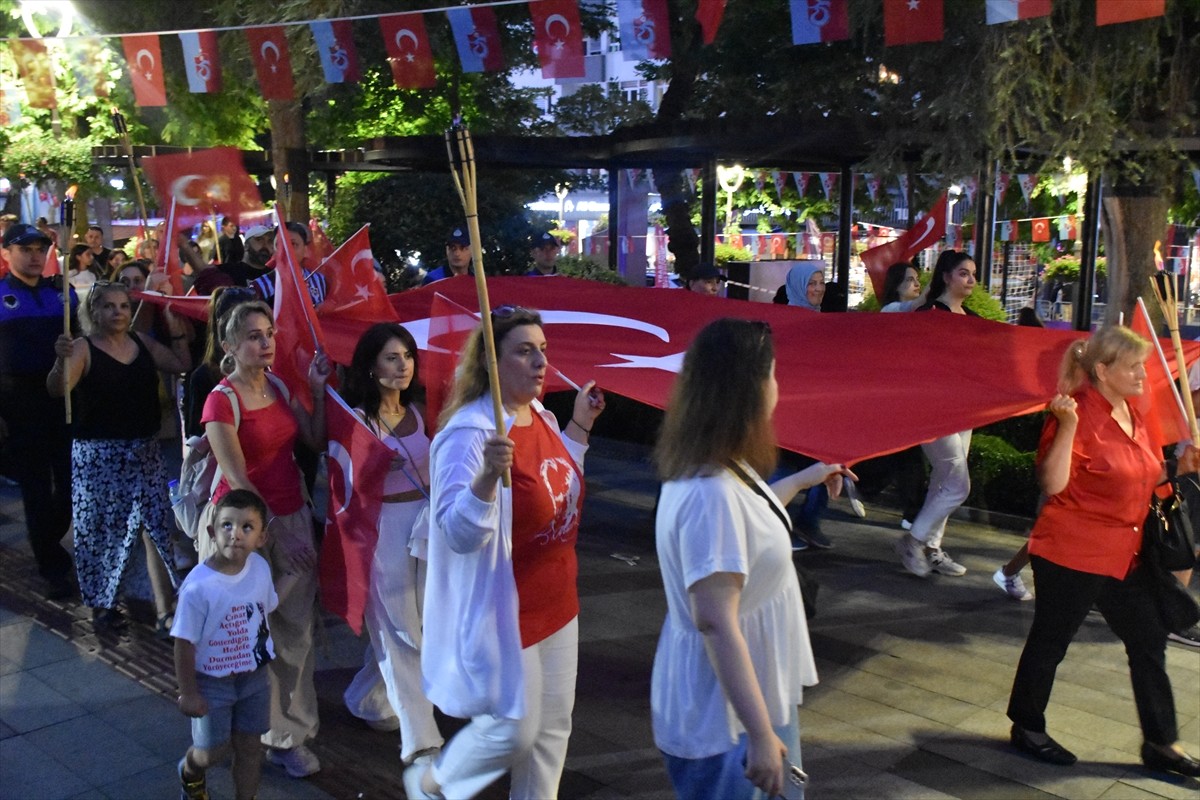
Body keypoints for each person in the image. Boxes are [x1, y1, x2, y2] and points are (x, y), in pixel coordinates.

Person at [405, 306, 605, 800]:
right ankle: (433, 782)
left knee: (552, 733)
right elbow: (455, 532)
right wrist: (486, 478)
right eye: (524, 351)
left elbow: (558, 484)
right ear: (492, 363)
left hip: (558, 599)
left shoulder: (539, 414)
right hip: (505, 609)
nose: (540, 362)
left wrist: (579, 429)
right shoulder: (469, 435)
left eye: (543, 350)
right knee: (514, 731)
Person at [652, 318, 851, 799]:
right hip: (724, 718)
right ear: (749, 389)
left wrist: (803, 480)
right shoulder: (710, 493)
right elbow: (716, 622)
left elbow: (750, 520)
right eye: (773, 375)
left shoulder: (719, 467)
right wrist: (761, 736)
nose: (778, 388)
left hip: (746, 703)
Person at [1005, 326, 1200, 777]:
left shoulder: (1133, 410)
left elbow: (1142, 473)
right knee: (1051, 641)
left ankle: (1161, 742)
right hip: (1073, 549)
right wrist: (1069, 427)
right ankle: (1027, 726)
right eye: (1133, 366)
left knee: (1148, 639)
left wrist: (1176, 466)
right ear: (1103, 370)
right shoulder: (1074, 413)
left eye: (1142, 365)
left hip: (1125, 552)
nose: (1141, 373)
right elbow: (1053, 485)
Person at [202, 300, 330, 778]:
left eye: (269, 332)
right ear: (230, 346)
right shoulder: (221, 399)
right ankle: (254, 729)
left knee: (294, 633)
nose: (266, 342)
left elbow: (314, 439)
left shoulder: (277, 384)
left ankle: (289, 733)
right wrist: (275, 533)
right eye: (254, 335)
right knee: (249, 636)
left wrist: (314, 390)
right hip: (245, 530)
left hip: (291, 514)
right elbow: (237, 481)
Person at [48, 281, 192, 632]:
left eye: (124, 306)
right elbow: (57, 389)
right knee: (102, 531)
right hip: (99, 455)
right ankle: (103, 605)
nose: (117, 312)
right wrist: (60, 358)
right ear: (92, 311)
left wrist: (175, 332)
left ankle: (165, 608)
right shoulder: (82, 347)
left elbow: (180, 364)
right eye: (108, 306)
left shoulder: (141, 342)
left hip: (144, 450)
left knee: (157, 528)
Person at [340, 323, 444, 764]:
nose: (403, 366)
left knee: (421, 625)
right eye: (391, 358)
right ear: (370, 366)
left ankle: (367, 696)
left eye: (407, 356)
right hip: (382, 529)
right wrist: (375, 466)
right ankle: (422, 742)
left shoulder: (422, 411)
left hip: (425, 529)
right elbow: (343, 482)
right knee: (400, 628)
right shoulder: (358, 420)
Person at [173, 489, 278, 800]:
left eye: (247, 527)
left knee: (250, 749)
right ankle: (190, 771)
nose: (236, 534)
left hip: (255, 678)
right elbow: (183, 643)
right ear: (212, 531)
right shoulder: (199, 587)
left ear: (261, 537)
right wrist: (188, 692)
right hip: (212, 682)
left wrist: (294, 579)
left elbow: (264, 610)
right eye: (227, 526)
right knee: (212, 752)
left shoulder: (259, 567)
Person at [0, 223, 78, 599]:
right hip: (19, 400)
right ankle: (51, 562)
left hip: (61, 396)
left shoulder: (62, 294)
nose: (34, 255)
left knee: (68, 482)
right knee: (35, 486)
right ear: (6, 253)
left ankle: (51, 543)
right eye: (24, 248)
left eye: (39, 248)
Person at [895, 250, 980, 578]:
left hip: (965, 410)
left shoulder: (973, 318)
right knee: (958, 484)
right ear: (946, 276)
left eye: (972, 274)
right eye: (963, 273)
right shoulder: (930, 313)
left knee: (945, 481)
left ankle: (932, 546)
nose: (970, 280)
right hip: (933, 410)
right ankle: (914, 541)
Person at [249, 222, 327, 307]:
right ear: (273, 249)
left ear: (305, 250)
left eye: (293, 244)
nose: (286, 249)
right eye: (280, 244)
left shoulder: (319, 280)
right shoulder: (260, 286)